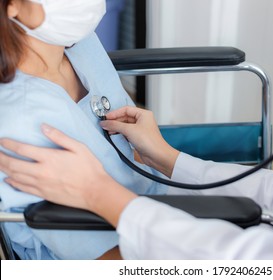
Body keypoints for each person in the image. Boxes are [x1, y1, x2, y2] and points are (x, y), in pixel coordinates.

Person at [1, 0, 273, 259]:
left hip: (151, 220)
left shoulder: (79, 44)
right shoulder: (16, 117)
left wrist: (103, 196)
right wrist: (170, 160)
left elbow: (257, 263)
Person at [0, 0, 167, 260]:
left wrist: (165, 158)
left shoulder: (79, 41)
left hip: (153, 200)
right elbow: (102, 259)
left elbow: (129, 157)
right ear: (12, 6)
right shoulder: (20, 120)